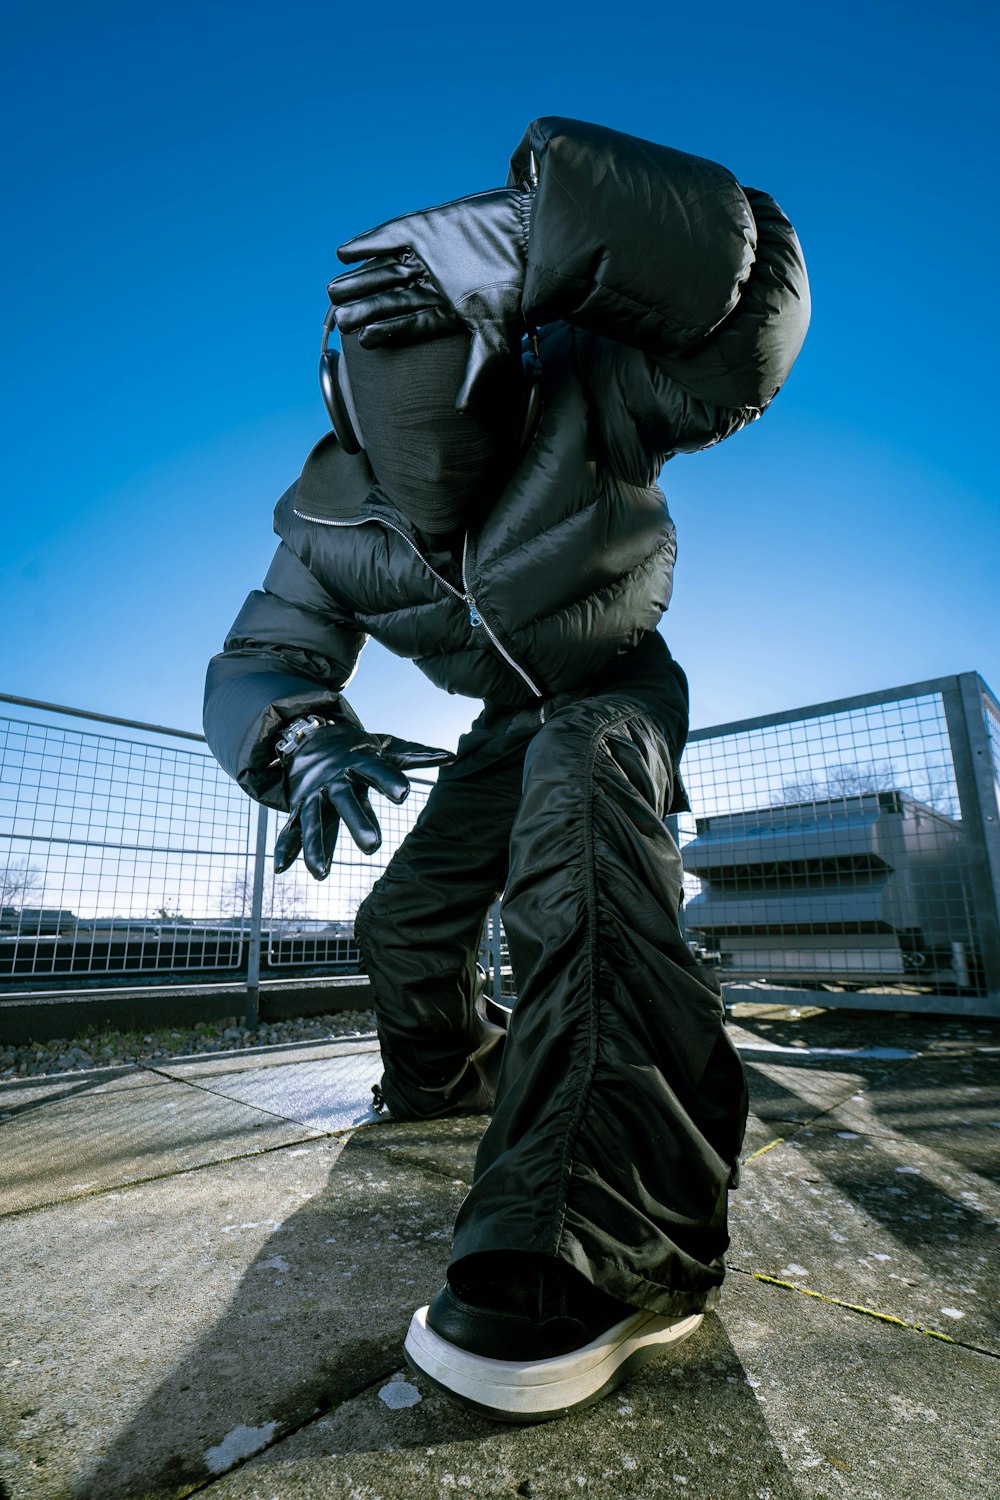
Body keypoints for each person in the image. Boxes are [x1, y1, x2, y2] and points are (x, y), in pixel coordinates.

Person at [203, 116, 810, 1422]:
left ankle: (612, 1235)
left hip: (613, 684)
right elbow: (262, 655)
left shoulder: (591, 389)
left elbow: (750, 306)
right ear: (352, 420)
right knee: (404, 922)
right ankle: (448, 1078)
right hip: (502, 720)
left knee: (582, 810)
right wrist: (299, 736)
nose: (450, 501)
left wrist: (550, 237)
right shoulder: (324, 527)